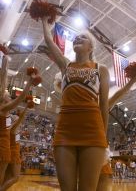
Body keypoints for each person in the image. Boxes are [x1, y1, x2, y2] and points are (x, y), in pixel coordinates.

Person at [42, 16, 109, 191]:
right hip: (65, 130)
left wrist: (104, 137)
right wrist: (44, 21)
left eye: (83, 37)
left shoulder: (100, 69)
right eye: (76, 38)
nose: (78, 38)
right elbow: (50, 43)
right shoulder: (65, 65)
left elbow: (104, 106)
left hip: (93, 130)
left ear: (91, 47)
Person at [0, 49, 40, 190]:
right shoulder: (3, 110)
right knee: (9, 178)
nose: (9, 96)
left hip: (8, 147)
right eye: (7, 95)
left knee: (8, 178)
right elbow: (20, 97)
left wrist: (5, 60)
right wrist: (29, 82)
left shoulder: (7, 115)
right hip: (4, 147)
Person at [0, 106, 28, 191]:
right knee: (15, 177)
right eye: (16, 118)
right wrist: (27, 107)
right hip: (13, 155)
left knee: (6, 178)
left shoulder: (14, 129)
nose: (18, 119)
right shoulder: (13, 128)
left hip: (13, 153)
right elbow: (21, 118)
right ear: (14, 121)